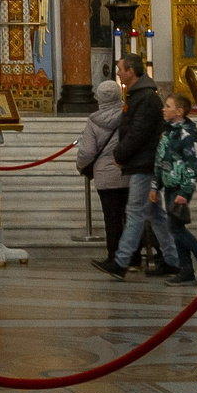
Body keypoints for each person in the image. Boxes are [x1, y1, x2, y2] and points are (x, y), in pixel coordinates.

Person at [96, 53, 179, 280]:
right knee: (155, 214)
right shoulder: (138, 95)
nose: (118, 73)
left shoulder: (145, 98)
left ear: (131, 71)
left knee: (134, 212)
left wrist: (120, 155)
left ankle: (121, 262)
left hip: (145, 164)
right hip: (143, 162)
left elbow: (138, 133)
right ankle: (174, 260)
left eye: (121, 69)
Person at [153, 91, 197, 284]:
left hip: (180, 186)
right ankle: (186, 270)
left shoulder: (187, 134)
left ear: (179, 111)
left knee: (176, 228)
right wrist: (155, 185)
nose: (164, 109)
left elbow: (192, 165)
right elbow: (161, 159)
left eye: (168, 106)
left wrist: (185, 192)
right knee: (175, 227)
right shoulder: (168, 130)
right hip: (169, 184)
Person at [74, 78, 132, 269]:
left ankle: (114, 256)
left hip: (105, 176)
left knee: (112, 219)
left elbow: (88, 151)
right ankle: (134, 257)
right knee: (130, 216)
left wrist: (80, 165)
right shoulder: (128, 114)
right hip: (127, 172)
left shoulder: (94, 121)